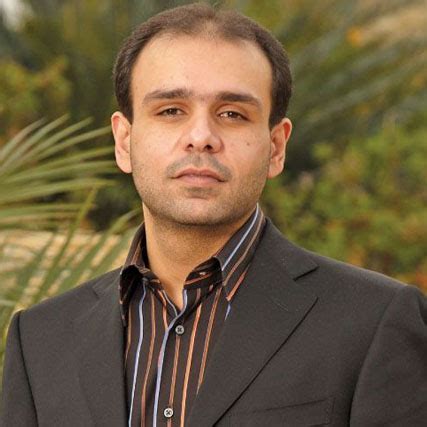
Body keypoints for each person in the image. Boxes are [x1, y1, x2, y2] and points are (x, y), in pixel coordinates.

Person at [1, 3, 426, 426]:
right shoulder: (39, 340)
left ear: (276, 146)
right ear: (124, 141)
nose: (201, 137)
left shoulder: (374, 323)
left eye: (232, 114)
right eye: (170, 110)